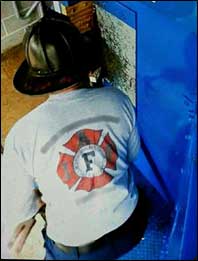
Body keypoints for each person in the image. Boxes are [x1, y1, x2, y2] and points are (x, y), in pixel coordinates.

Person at [2, 11, 148, 260]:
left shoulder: (22, 135)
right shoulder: (119, 101)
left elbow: (21, 209)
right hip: (130, 229)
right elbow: (132, 154)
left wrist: (38, 199)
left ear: (38, 80)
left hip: (79, 251)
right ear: (84, 60)